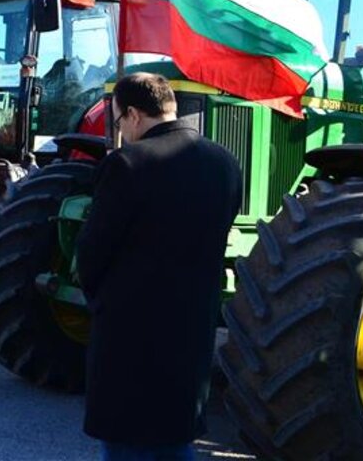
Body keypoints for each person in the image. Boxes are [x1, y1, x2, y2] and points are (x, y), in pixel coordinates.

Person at [75, 73, 242, 461]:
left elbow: (93, 252)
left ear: (132, 114)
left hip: (130, 334)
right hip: (193, 328)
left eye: (117, 121)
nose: (121, 131)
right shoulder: (224, 163)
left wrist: (101, 303)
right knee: (175, 439)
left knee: (126, 442)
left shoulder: (128, 163)